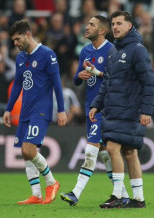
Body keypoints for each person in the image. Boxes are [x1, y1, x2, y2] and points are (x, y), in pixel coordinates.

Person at [89, 11, 154, 209]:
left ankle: (117, 194)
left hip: (131, 110)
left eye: (119, 23)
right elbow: (107, 83)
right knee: (129, 152)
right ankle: (138, 198)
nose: (115, 27)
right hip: (114, 109)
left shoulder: (138, 50)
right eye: (113, 24)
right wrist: (96, 104)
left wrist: (147, 110)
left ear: (129, 26)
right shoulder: (113, 51)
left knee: (112, 147)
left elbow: (149, 82)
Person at [59, 15, 129, 206]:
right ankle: (123, 194)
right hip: (91, 106)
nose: (86, 27)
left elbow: (117, 78)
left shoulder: (112, 50)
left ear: (102, 31)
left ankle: (75, 193)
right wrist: (80, 76)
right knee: (105, 154)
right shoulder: (85, 51)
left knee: (91, 150)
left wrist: (96, 72)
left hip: (106, 108)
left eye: (91, 24)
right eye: (87, 23)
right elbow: (75, 80)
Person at [3, 19, 67, 205]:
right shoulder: (20, 58)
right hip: (25, 111)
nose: (15, 43)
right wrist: (8, 108)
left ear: (28, 35)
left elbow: (57, 85)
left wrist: (61, 110)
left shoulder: (47, 54)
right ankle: (36, 195)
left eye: (17, 39)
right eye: (13, 40)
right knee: (25, 153)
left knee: (28, 149)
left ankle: (52, 182)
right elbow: (17, 84)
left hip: (41, 110)